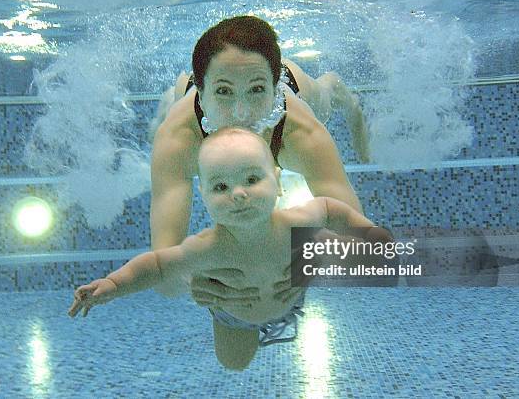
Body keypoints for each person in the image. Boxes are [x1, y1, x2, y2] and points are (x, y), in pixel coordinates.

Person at [68, 128, 385, 370]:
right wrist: (111, 286)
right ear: (203, 194)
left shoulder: (298, 221)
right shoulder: (207, 247)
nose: (238, 194)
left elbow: (330, 208)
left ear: (277, 181)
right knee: (234, 364)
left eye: (251, 178)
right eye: (221, 187)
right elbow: (157, 265)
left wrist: (367, 233)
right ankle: (233, 321)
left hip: (288, 296)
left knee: (317, 246)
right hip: (234, 313)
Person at [149, 15, 367, 304]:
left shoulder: (300, 132)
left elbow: (365, 250)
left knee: (324, 97)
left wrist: (314, 262)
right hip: (192, 99)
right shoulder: (179, 138)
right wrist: (195, 281)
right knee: (173, 104)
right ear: (201, 95)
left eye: (257, 90)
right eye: (224, 92)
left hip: (295, 86)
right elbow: (164, 278)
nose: (242, 113)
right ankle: (177, 93)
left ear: (275, 89)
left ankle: (334, 87)